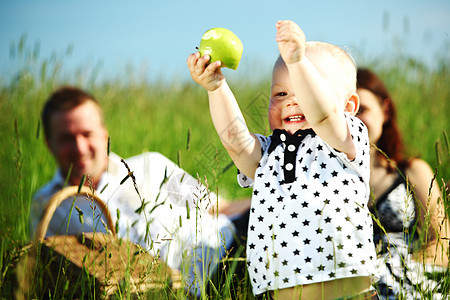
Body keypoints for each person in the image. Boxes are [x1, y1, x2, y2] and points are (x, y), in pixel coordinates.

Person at [188, 20, 378, 299]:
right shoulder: (269, 154)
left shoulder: (346, 139)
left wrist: (298, 62)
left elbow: (324, 115)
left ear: (349, 106)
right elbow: (236, 143)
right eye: (280, 93)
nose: (291, 100)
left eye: (305, 88)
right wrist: (216, 88)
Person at [29, 86, 251, 297]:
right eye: (66, 138)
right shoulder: (48, 206)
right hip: (171, 291)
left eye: (87, 134)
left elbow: (220, 208)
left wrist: (271, 201)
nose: (79, 147)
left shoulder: (150, 165)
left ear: (104, 135)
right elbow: (47, 276)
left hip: (232, 247)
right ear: (49, 143)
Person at [356, 68, 449, 299]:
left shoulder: (412, 171)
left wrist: (396, 270)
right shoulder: (323, 179)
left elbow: (442, 244)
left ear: (385, 110)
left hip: (409, 284)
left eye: (362, 109)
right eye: (344, 111)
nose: (353, 119)